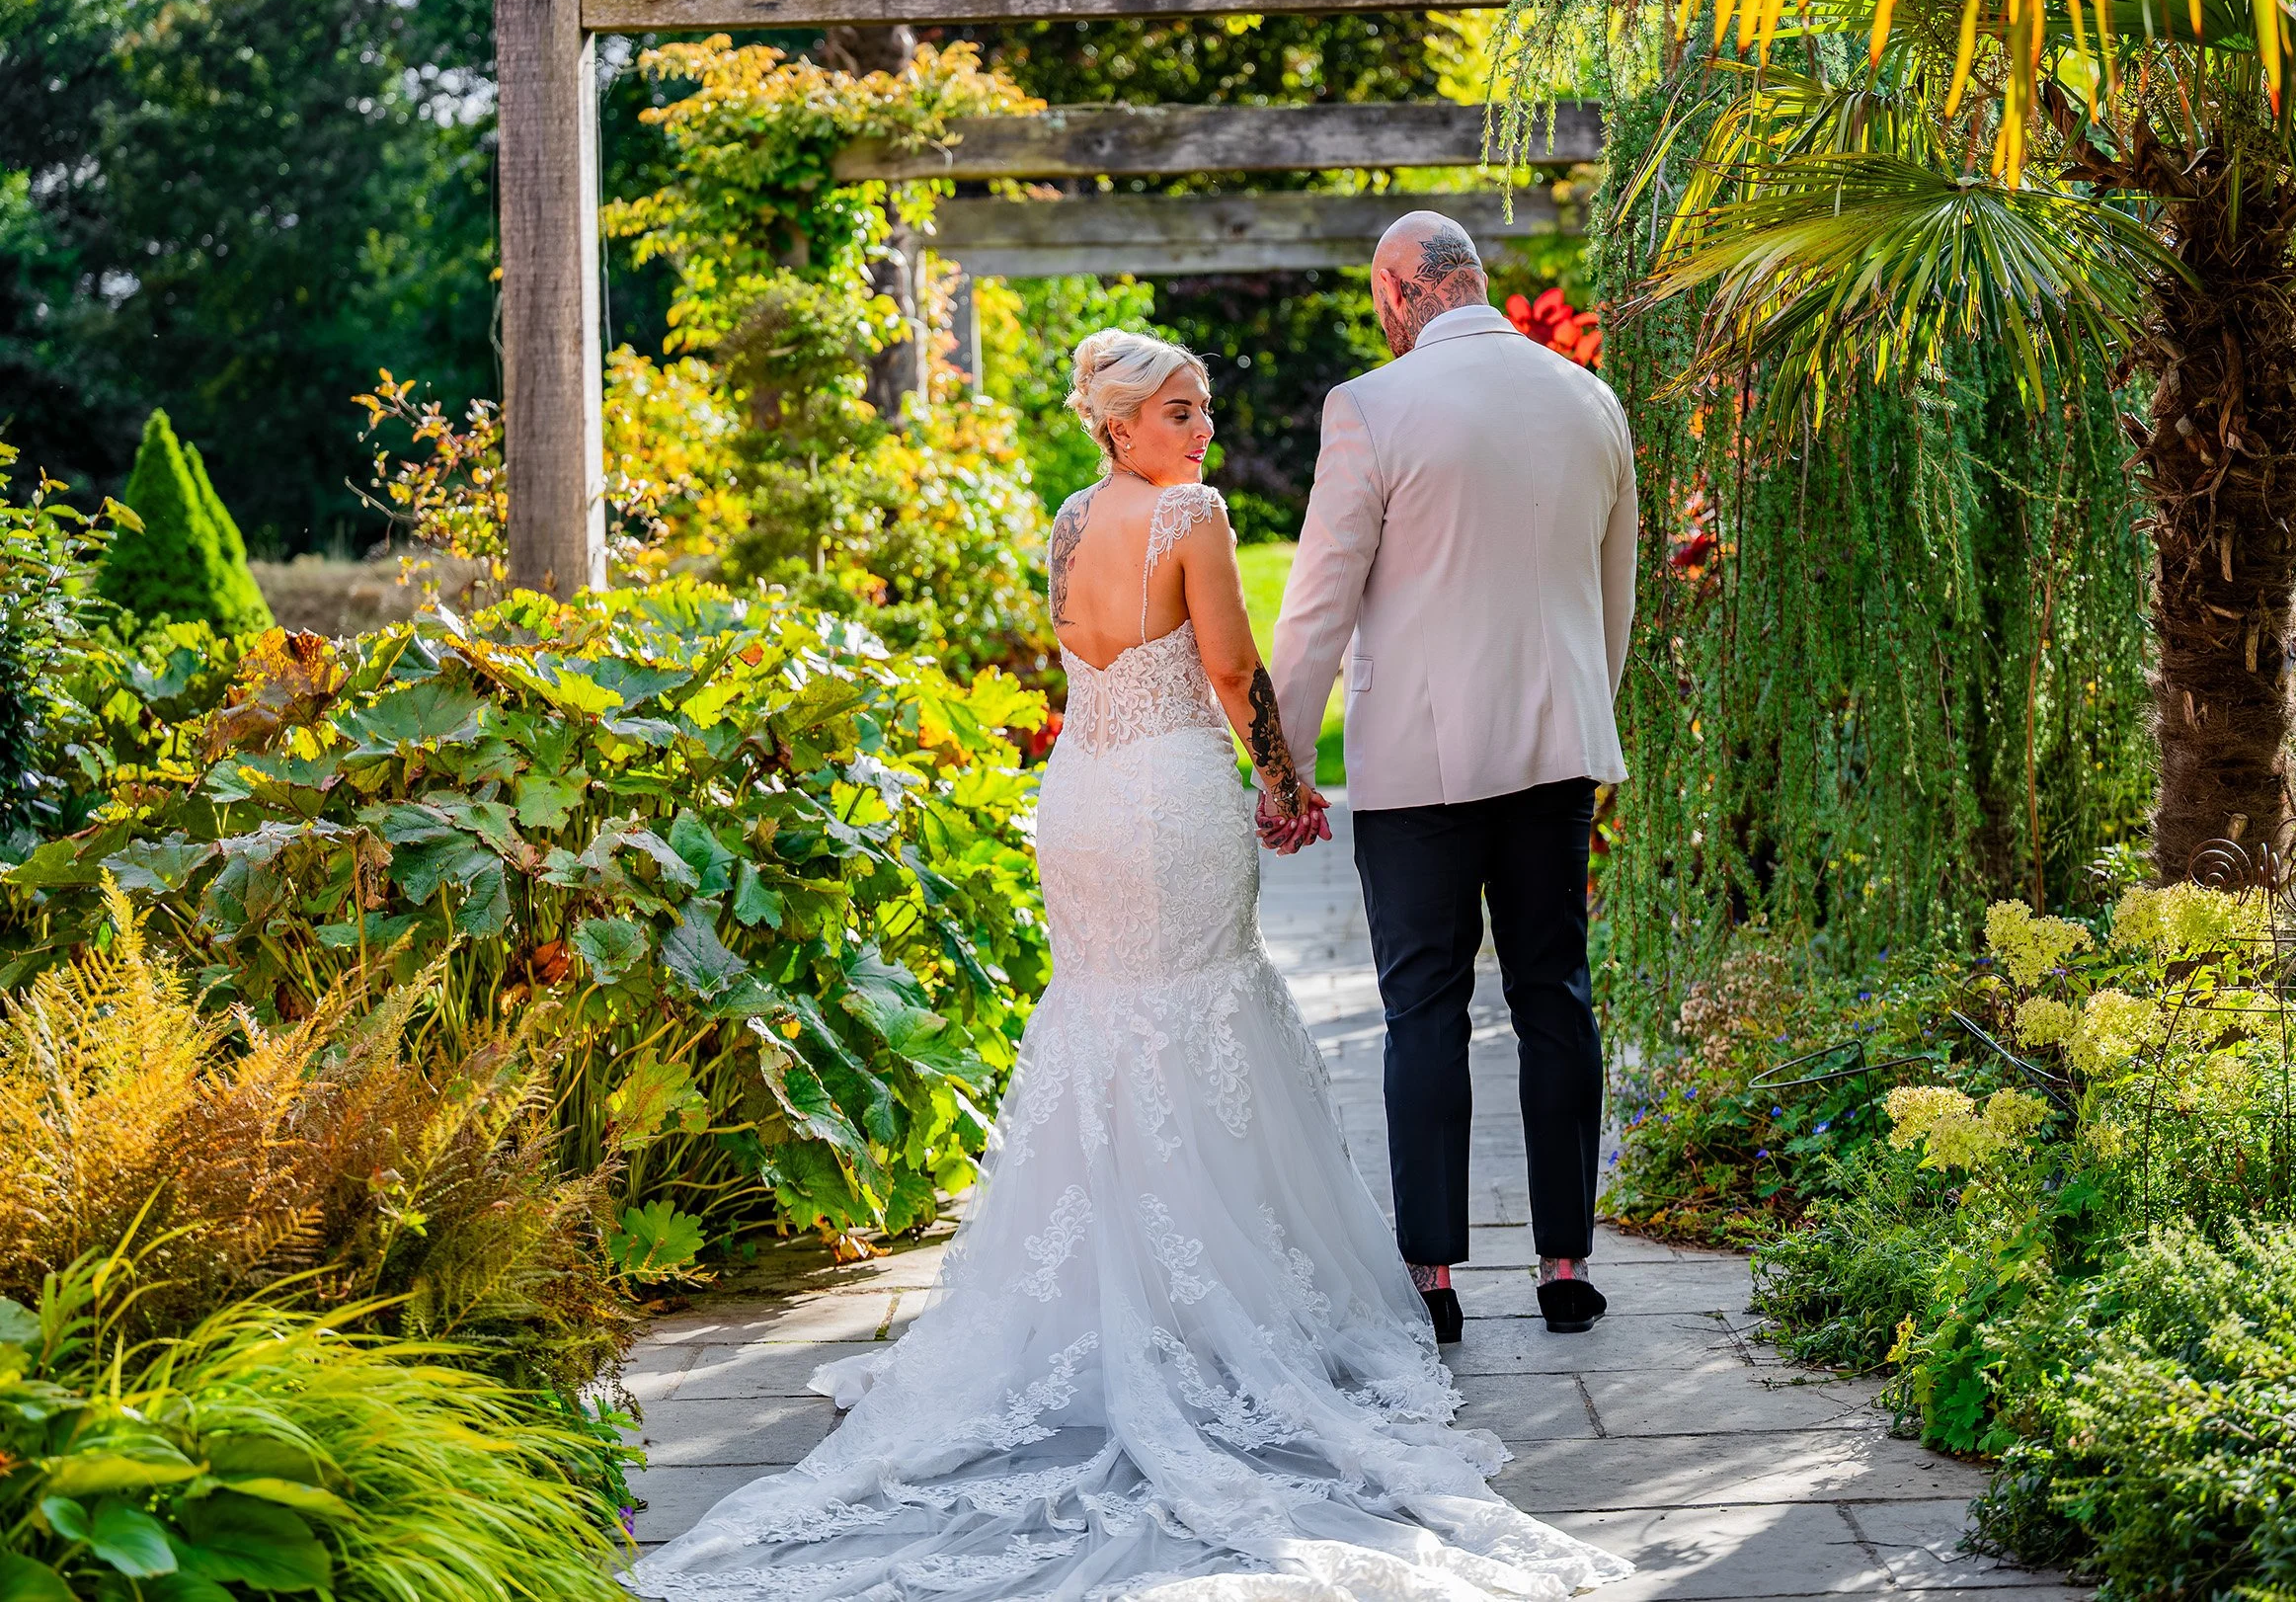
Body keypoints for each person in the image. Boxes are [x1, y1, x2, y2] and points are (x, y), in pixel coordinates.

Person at [624, 330, 1630, 1600]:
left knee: (1111, 1021)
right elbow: (1226, 668)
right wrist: (1283, 777)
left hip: (1080, 798)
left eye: (1203, 406)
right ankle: (1210, 1301)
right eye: (1174, 410)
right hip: (1163, 801)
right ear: (1118, 423)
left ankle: (1109, 1291)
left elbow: (1087, 660)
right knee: (1201, 1015)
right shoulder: (1190, 517)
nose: (1199, 429)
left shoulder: (1063, 522)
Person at [1269, 212, 1640, 1346]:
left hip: (1423, 767)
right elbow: (1612, 591)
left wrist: (1281, 765)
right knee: (1553, 995)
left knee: (1422, 1008)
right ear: (1471, 280)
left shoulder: (1370, 407)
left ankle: (1431, 1276)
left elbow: (1320, 601)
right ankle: (1565, 1262)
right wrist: (1588, 713)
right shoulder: (1590, 400)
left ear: (1399, 289)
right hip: (1556, 750)